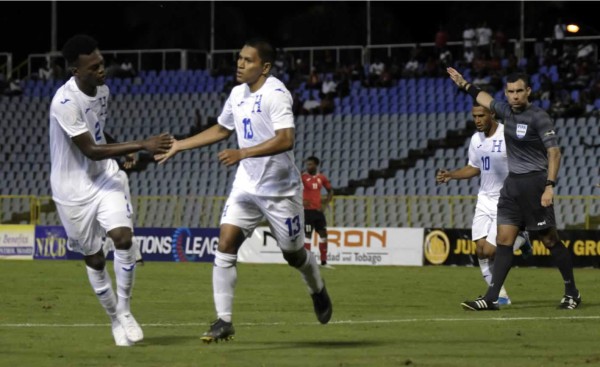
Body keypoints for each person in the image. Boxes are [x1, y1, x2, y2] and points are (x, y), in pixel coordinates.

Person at [155, 38, 333, 343]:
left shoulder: (276, 93)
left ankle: (317, 288)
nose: (240, 63)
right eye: (239, 58)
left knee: (293, 255)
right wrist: (180, 145)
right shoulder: (237, 94)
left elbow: (286, 139)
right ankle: (223, 320)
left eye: (248, 60)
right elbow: (222, 129)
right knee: (225, 243)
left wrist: (243, 153)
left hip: (280, 192)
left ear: (264, 67)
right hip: (246, 187)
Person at [49, 35, 173, 346]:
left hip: (105, 178)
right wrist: (140, 144)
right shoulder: (64, 102)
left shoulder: (103, 91)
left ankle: (126, 310)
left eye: (102, 63)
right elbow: (90, 148)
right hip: (72, 190)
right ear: (76, 70)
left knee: (122, 237)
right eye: (94, 67)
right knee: (93, 258)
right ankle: (114, 319)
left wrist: (121, 150)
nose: (102, 70)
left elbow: (98, 131)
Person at [447, 67, 581, 310]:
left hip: (534, 183)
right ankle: (491, 298)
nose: (515, 96)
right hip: (512, 186)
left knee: (550, 240)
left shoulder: (538, 117)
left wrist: (549, 186)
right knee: (503, 240)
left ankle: (572, 291)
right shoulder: (505, 112)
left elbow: (554, 153)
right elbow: (483, 98)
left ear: (528, 91)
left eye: (519, 91)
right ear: (506, 94)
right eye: (510, 92)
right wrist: (464, 84)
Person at [436, 103, 532, 305]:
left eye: (481, 115)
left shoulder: (508, 135)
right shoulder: (475, 139)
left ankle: (521, 238)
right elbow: (474, 168)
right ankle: (501, 296)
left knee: (490, 250)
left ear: (492, 114)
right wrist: (451, 175)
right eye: (474, 116)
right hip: (484, 199)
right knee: (480, 250)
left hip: (506, 200)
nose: (477, 120)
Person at [302, 156, 334, 268]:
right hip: (308, 213)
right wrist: (301, 200)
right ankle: (307, 262)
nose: (308, 166)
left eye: (310, 164)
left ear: (316, 165)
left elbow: (330, 191)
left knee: (323, 235)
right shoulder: (303, 177)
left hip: (318, 213)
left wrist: (324, 205)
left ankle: (324, 262)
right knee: (308, 235)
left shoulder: (322, 178)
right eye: (307, 164)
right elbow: (293, 189)